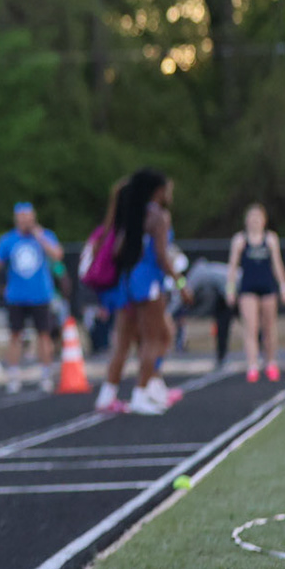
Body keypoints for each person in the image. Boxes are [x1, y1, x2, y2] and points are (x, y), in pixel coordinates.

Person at [92, 169, 183, 416]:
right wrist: (181, 285)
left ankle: (110, 394)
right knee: (154, 339)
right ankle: (141, 394)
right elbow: (163, 256)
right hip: (148, 283)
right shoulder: (158, 217)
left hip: (128, 282)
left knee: (124, 341)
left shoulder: (132, 215)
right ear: (158, 191)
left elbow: (117, 249)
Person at [0, 204, 63, 394]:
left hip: (40, 295)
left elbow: (57, 255)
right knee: (15, 336)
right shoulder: (9, 240)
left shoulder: (44, 235)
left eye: (28, 216)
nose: (25, 220)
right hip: (16, 296)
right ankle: (13, 375)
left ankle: (45, 373)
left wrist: (40, 237)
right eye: (22, 216)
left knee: (44, 335)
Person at [226, 203, 285, 382]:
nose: (254, 221)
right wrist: (230, 289)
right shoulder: (240, 240)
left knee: (269, 327)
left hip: (267, 288)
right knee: (250, 328)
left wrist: (284, 285)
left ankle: (271, 362)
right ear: (246, 221)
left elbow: (277, 264)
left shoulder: (270, 239)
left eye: (258, 218)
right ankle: (252, 364)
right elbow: (232, 267)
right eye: (251, 217)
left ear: (264, 220)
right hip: (248, 289)